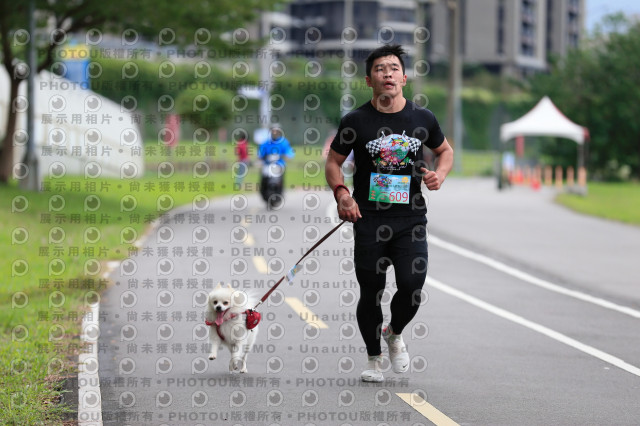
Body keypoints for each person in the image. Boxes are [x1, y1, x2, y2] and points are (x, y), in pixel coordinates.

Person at [325, 44, 454, 382]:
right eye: (381, 69)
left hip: (410, 220)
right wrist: (342, 194)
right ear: (370, 80)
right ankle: (373, 359)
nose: (388, 74)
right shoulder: (356, 121)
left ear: (404, 78)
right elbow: (334, 162)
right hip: (368, 219)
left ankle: (394, 332)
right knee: (372, 290)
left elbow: (445, 151)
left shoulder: (422, 118)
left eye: (394, 68)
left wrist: (438, 174)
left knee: (412, 285)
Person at [258, 125, 295, 207]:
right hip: (267, 165)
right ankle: (264, 194)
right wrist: (261, 158)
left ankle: (279, 194)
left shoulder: (283, 142)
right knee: (263, 180)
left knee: (279, 180)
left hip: (279, 165)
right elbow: (260, 153)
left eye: (276, 131)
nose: (274, 133)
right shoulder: (266, 143)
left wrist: (287, 156)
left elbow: (289, 152)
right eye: (273, 131)